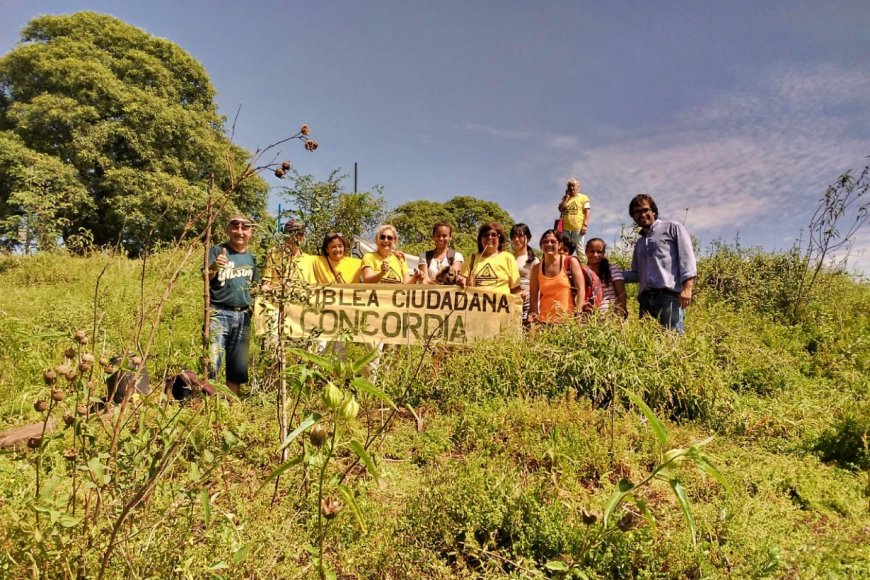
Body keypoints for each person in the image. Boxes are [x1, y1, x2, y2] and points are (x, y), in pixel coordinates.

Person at [622, 194, 697, 334]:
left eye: (645, 210)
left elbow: (687, 258)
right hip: (645, 300)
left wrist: (687, 288)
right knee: (647, 344)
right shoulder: (639, 244)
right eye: (637, 212)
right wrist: (610, 272)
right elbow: (637, 274)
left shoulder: (672, 228)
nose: (642, 214)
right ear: (633, 216)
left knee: (671, 340)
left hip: (669, 297)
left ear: (653, 211)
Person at [207, 215, 259, 395]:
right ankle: (207, 405)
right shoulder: (217, 250)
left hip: (243, 316)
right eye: (235, 227)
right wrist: (215, 266)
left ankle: (231, 405)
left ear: (250, 232)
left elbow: (252, 288)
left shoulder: (252, 258)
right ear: (228, 229)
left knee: (237, 366)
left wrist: (265, 289)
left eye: (245, 228)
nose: (240, 232)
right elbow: (206, 276)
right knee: (211, 362)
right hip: (218, 313)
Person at [529, 229, 585, 324]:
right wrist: (535, 319)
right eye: (545, 242)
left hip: (568, 322)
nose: (549, 244)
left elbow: (581, 289)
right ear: (541, 246)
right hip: (544, 323)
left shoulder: (570, 262)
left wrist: (578, 314)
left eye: (553, 241)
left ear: (559, 245)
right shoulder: (536, 269)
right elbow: (533, 298)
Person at [458, 223, 521, 295]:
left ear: (499, 239)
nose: (490, 237)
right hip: (477, 304)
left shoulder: (508, 258)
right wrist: (461, 280)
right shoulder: (471, 259)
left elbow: (516, 289)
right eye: (485, 235)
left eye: (494, 235)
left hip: (501, 305)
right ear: (480, 239)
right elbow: (462, 283)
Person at [262, 219, 316, 289]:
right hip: (278, 298)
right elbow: (267, 282)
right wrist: (275, 287)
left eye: (301, 234)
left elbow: (312, 287)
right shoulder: (273, 254)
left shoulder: (308, 259)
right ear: (286, 235)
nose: (298, 237)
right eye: (294, 233)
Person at [585, 238, 627, 317]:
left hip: (611, 315)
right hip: (591, 318)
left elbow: (622, 294)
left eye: (599, 252)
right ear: (586, 252)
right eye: (592, 251)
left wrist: (620, 313)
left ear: (604, 253)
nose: (595, 255)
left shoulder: (611, 269)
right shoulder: (583, 272)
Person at [509, 223, 539, 325]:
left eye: (520, 236)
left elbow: (538, 285)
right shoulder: (508, 258)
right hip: (509, 301)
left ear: (528, 238)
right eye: (514, 237)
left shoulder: (534, 260)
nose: (517, 239)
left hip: (527, 304)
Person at [558, 178, 591, 254]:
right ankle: (567, 264)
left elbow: (587, 212)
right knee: (566, 247)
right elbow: (560, 209)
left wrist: (585, 225)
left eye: (573, 186)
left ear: (578, 187)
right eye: (569, 186)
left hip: (577, 227)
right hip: (564, 228)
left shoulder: (583, 197)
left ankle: (582, 264)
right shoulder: (566, 198)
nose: (571, 188)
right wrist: (566, 198)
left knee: (579, 248)